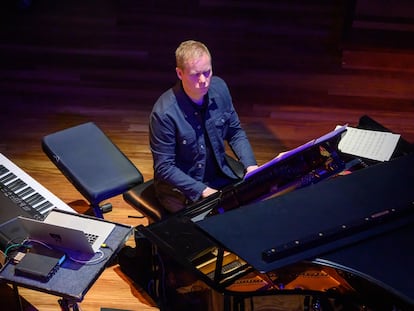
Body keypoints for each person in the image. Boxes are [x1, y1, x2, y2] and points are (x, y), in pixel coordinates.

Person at [149, 40, 258, 213]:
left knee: (256, 205)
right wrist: (203, 191)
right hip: (182, 189)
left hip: (218, 175)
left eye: (207, 73)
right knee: (212, 227)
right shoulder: (164, 113)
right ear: (179, 73)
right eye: (195, 74)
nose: (203, 81)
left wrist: (251, 166)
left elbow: (235, 132)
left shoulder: (220, 88)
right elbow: (164, 167)